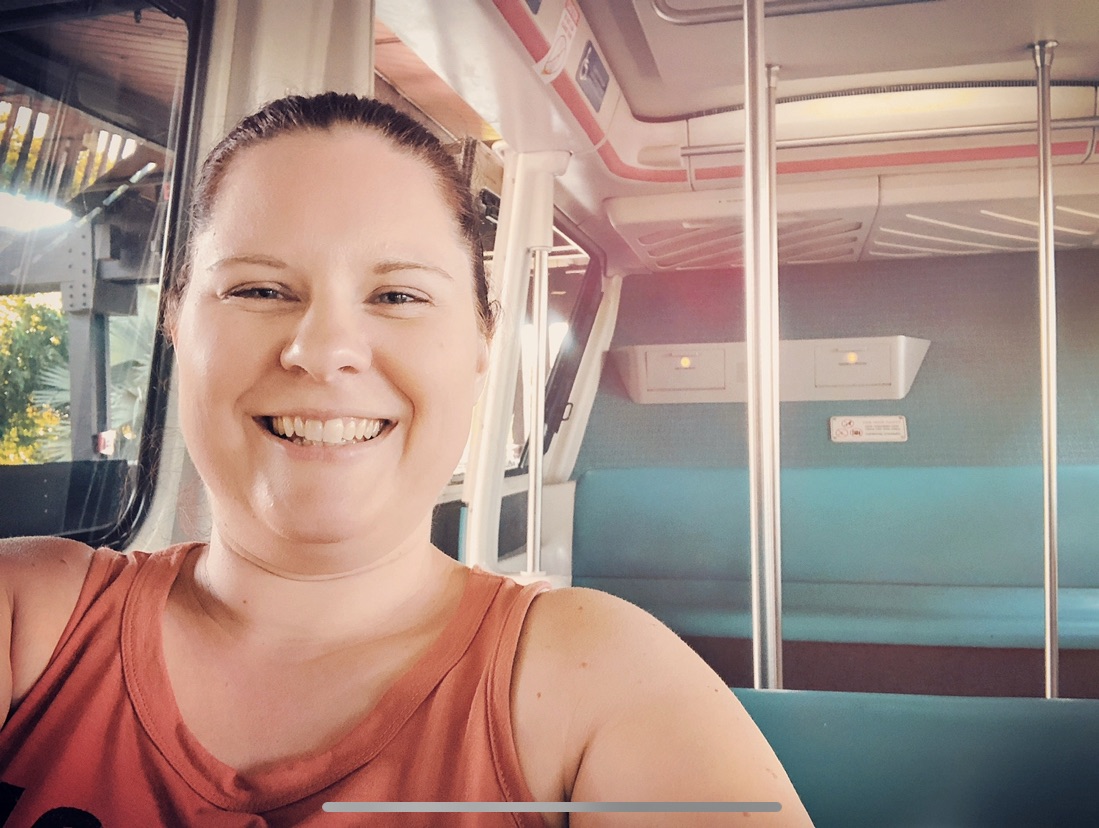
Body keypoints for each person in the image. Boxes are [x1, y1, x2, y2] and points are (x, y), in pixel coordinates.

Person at [0, 93, 813, 826]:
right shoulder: (25, 620)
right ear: (177, 322)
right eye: (257, 289)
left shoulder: (599, 683)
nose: (322, 351)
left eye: (397, 296)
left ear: (480, 342)